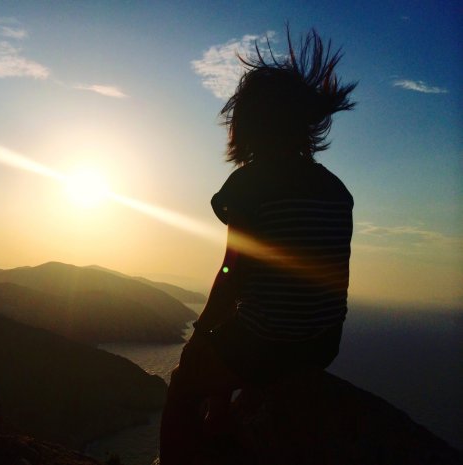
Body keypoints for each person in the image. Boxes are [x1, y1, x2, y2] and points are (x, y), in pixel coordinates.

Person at [159, 28, 357, 465]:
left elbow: (233, 274)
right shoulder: (337, 190)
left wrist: (197, 337)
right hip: (323, 345)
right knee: (236, 340)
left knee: (184, 379)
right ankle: (222, 426)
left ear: (249, 123)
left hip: (270, 344)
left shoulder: (252, 183)